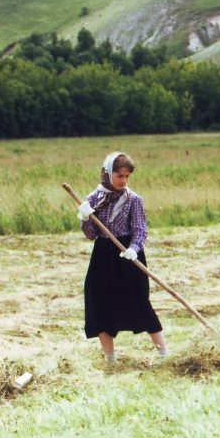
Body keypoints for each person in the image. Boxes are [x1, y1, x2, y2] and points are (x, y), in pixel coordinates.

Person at [77, 152, 168, 364]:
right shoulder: (93, 199)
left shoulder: (133, 199)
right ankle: (110, 360)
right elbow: (91, 234)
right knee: (99, 303)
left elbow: (140, 229)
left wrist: (134, 248)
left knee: (139, 303)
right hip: (103, 257)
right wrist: (84, 218)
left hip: (128, 256)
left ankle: (164, 354)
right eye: (120, 175)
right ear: (107, 173)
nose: (124, 180)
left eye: (127, 176)